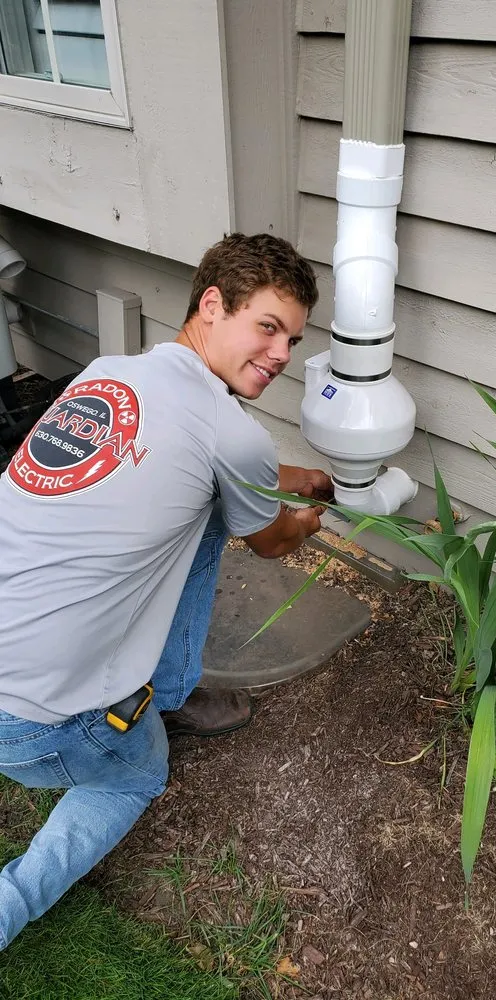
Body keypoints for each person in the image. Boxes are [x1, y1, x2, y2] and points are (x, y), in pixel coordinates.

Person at [0, 232, 333, 949]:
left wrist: (288, 474)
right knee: (134, 778)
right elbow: (271, 537)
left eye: (293, 341)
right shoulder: (227, 435)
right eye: (267, 328)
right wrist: (306, 516)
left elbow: (206, 457)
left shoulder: (107, 374)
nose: (281, 355)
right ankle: (9, 906)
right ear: (213, 304)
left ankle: (162, 692)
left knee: (204, 504)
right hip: (27, 724)